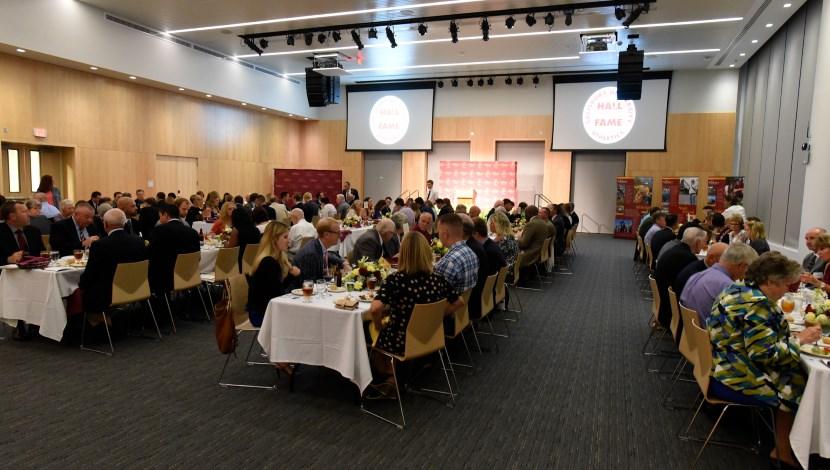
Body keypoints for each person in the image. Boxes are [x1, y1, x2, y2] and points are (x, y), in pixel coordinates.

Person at [708, 252, 821, 468]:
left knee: (797, 372)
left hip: (722, 366)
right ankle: (783, 449)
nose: (788, 290)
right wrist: (800, 341)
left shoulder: (735, 290)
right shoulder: (759, 305)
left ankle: (790, 444)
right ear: (770, 281)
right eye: (787, 285)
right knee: (799, 382)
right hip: (738, 378)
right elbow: (764, 355)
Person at [367, 232, 461, 398]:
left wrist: (378, 325)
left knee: (370, 331)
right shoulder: (437, 279)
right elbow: (459, 301)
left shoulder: (396, 280)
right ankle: (398, 376)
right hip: (429, 336)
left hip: (401, 341)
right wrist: (437, 318)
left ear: (403, 253)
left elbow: (375, 309)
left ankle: (390, 378)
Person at [78, 208, 147, 314]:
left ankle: (94, 323)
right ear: (124, 224)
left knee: (82, 289)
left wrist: (80, 284)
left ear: (105, 224)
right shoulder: (139, 241)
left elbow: (89, 275)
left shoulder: (100, 245)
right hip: (138, 288)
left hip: (109, 294)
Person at [681, 242, 758, 325]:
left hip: (691, 333)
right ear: (742, 266)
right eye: (748, 270)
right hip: (706, 334)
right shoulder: (727, 286)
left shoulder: (698, 275)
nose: (745, 275)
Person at [246, 221, 300, 327]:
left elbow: (277, 290)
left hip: (267, 308)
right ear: (274, 240)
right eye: (285, 237)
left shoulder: (274, 259)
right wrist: (291, 276)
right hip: (261, 314)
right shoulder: (268, 263)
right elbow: (277, 295)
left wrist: (290, 275)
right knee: (301, 318)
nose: (288, 241)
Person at [654, 227, 707, 328]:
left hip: (663, 303)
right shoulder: (687, 257)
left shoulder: (676, 249)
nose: (705, 245)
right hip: (670, 311)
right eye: (705, 242)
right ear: (697, 242)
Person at [148, 203, 201, 294]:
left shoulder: (160, 231)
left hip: (166, 276)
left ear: (166, 215)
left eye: (160, 216)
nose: (159, 219)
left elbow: (151, 253)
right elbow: (198, 256)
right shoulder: (192, 232)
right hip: (189, 273)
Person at [292, 217, 348, 287]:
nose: (340, 235)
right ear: (326, 235)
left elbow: (329, 255)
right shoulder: (311, 254)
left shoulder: (318, 245)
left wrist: (343, 262)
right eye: (338, 232)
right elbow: (310, 284)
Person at [433, 213, 478, 296]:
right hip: (464, 306)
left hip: (449, 307)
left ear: (445, 234)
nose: (438, 235)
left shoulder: (448, 262)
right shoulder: (471, 253)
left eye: (438, 232)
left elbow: (435, 296)